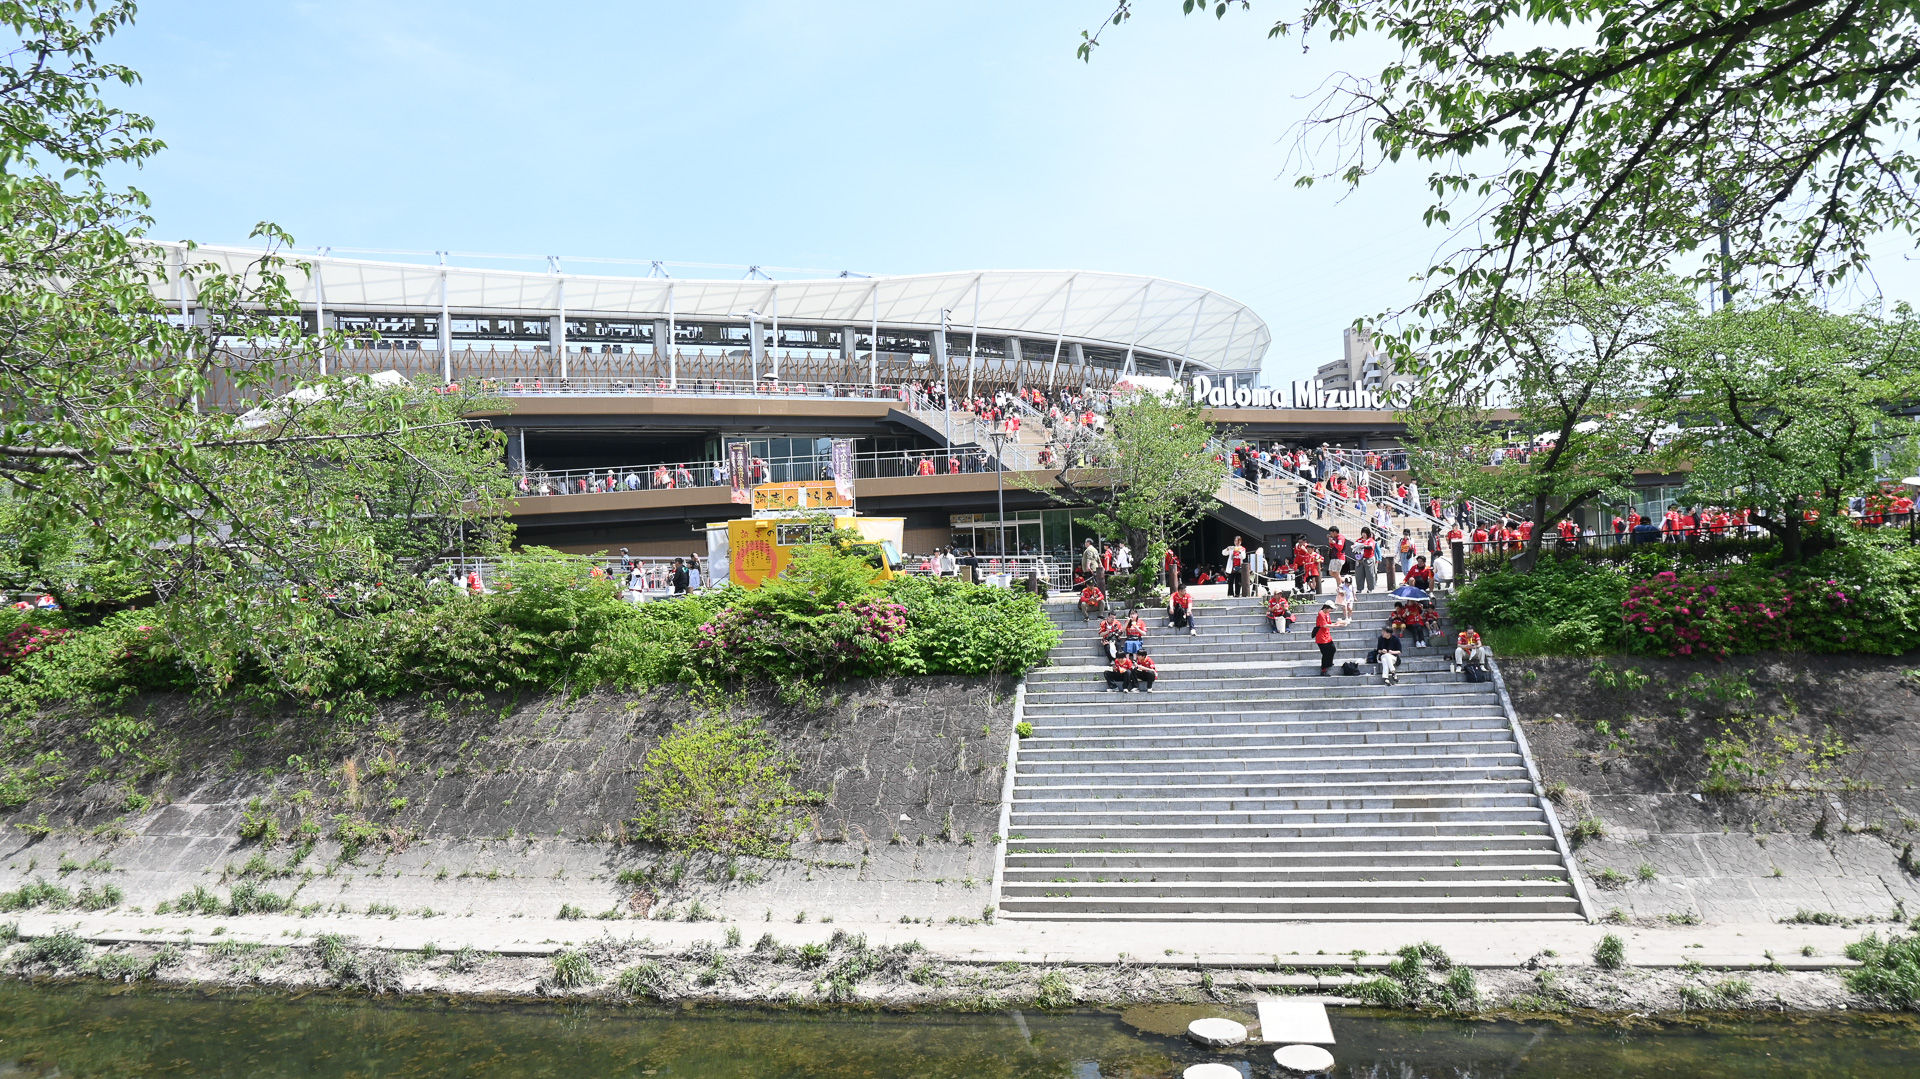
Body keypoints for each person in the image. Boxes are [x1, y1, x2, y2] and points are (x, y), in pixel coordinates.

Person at [1313, 601, 1348, 676]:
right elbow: (1324, 625)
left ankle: (1329, 663)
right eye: (1330, 608)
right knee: (1325, 653)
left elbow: (1329, 623)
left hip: (1327, 635)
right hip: (1321, 637)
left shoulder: (1327, 613)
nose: (1331, 610)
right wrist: (1337, 626)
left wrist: (1339, 623)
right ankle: (1323, 669)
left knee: (1332, 649)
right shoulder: (1321, 613)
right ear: (1326, 607)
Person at [1374, 619, 1403, 686]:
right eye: (1382, 631)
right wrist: (1381, 651)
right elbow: (1378, 650)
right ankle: (1393, 672)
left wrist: (1392, 652)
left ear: (1388, 633)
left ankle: (1386, 678)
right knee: (1385, 656)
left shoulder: (1395, 639)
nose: (1382, 633)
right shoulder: (1380, 638)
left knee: (1385, 659)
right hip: (1382, 656)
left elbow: (1400, 651)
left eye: (1384, 632)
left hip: (1393, 657)